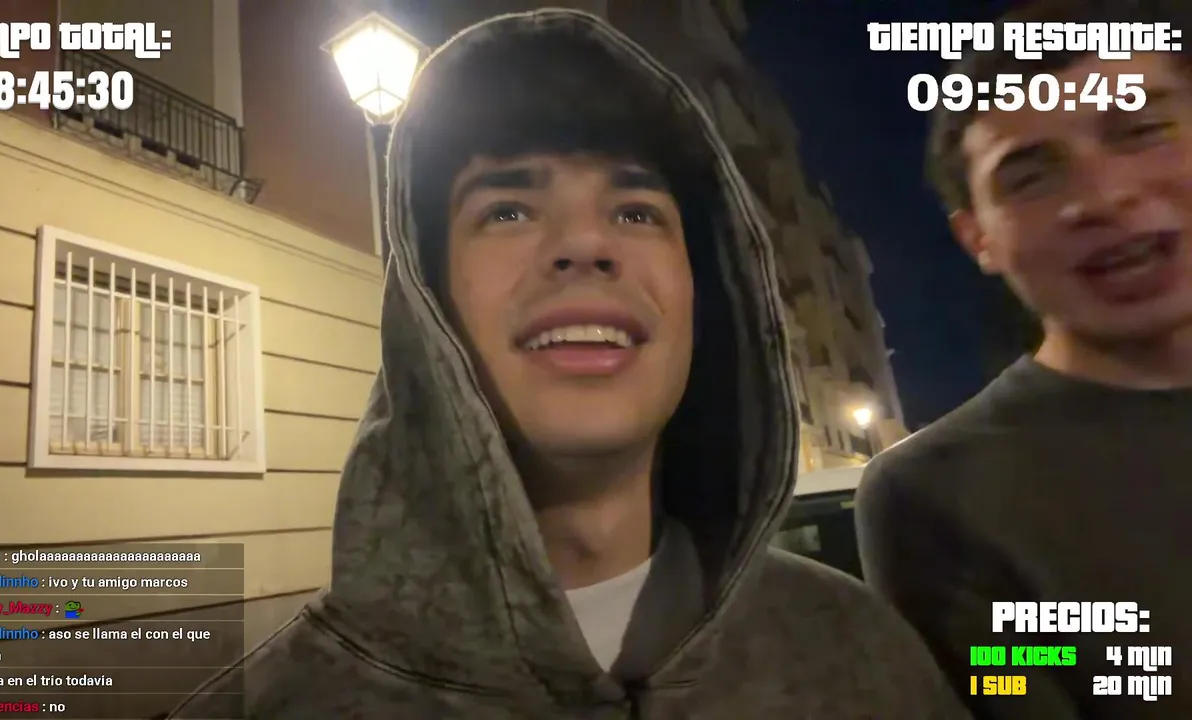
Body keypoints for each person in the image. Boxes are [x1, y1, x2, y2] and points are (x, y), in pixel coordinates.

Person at [170, 9, 966, 718]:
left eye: (636, 212)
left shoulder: (865, 655)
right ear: (427, 299)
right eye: (508, 210)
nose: (586, 244)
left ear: (706, 293)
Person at [855, 1, 1192, 718]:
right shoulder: (939, 498)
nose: (1104, 197)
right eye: (1030, 177)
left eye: (1141, 131)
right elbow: (999, 684)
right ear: (977, 238)